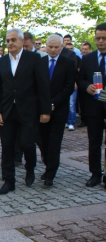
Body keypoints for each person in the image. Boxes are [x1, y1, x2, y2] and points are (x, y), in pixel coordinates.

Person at [0, 28, 51, 194]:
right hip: (7, 111)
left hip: (29, 110)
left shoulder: (34, 59)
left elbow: (43, 85)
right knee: (7, 146)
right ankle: (8, 181)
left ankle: (30, 168)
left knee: (27, 143)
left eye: (13, 40)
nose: (10, 43)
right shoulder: (1, 61)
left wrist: (45, 111)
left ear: (21, 41)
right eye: (7, 41)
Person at [39, 34, 76, 186]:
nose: (53, 50)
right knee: (43, 141)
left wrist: (53, 103)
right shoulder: (40, 62)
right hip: (42, 109)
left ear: (61, 47)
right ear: (46, 46)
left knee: (54, 142)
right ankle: (48, 165)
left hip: (59, 109)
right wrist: (44, 105)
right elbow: (37, 86)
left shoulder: (68, 63)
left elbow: (68, 87)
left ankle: (50, 175)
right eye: (50, 47)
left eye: (56, 47)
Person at [78, 23, 106, 187]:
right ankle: (95, 173)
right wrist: (86, 85)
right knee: (94, 141)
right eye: (98, 38)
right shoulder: (88, 58)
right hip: (93, 106)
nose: (100, 41)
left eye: (104, 38)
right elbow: (80, 79)